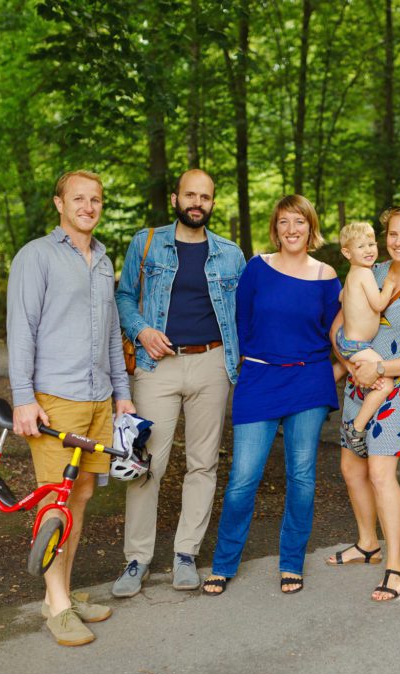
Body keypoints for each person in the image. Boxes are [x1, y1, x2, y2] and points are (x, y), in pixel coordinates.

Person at [7, 170, 136, 646]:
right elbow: (21, 328)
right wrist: (23, 397)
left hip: (99, 398)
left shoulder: (103, 261)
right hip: (54, 400)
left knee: (79, 497)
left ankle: (59, 590)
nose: (88, 206)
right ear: (59, 203)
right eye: (78, 198)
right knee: (53, 501)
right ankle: (57, 604)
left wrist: (121, 392)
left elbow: (109, 334)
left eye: (96, 199)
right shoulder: (36, 256)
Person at [112, 169, 245, 597]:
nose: (197, 203)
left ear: (212, 203)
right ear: (175, 198)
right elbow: (124, 296)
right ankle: (138, 559)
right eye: (190, 194)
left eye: (205, 197)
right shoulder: (146, 242)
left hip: (211, 364)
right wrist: (140, 330)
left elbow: (247, 313)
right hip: (157, 365)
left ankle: (186, 553)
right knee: (146, 463)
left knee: (203, 463)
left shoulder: (230, 254)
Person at [202, 195, 341, 596]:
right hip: (259, 379)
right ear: (275, 228)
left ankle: (291, 563)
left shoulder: (326, 275)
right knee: (243, 479)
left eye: (299, 221)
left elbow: (342, 335)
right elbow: (240, 323)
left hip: (308, 382)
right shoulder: (257, 268)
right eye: (284, 222)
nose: (292, 229)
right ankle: (224, 563)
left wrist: (331, 373)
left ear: (311, 227)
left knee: (301, 478)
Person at [326, 205, 400, 602]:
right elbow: (338, 326)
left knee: (380, 473)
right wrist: (351, 364)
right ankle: (367, 543)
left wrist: (380, 367)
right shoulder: (371, 271)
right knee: (350, 468)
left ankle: (395, 564)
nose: (398, 242)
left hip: (398, 385)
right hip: (362, 379)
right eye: (392, 234)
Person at [334, 221, 398, 456]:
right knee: (386, 384)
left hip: (348, 338)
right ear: (347, 252)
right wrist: (389, 285)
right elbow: (379, 303)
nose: (369, 249)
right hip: (357, 345)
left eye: (372, 244)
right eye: (361, 246)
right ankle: (356, 427)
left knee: (349, 372)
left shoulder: (353, 274)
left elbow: (342, 297)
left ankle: (323, 394)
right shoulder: (364, 274)